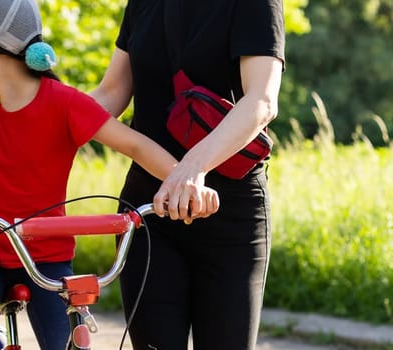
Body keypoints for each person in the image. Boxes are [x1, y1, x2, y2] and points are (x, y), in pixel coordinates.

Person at [0, 0, 219, 349]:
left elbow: (134, 146)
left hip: (47, 254)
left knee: (70, 342)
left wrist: (187, 183)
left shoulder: (65, 103)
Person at [87, 0, 285, 349]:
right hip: (150, 214)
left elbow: (261, 100)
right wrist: (42, 123)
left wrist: (193, 168)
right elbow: (113, 91)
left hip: (230, 212)